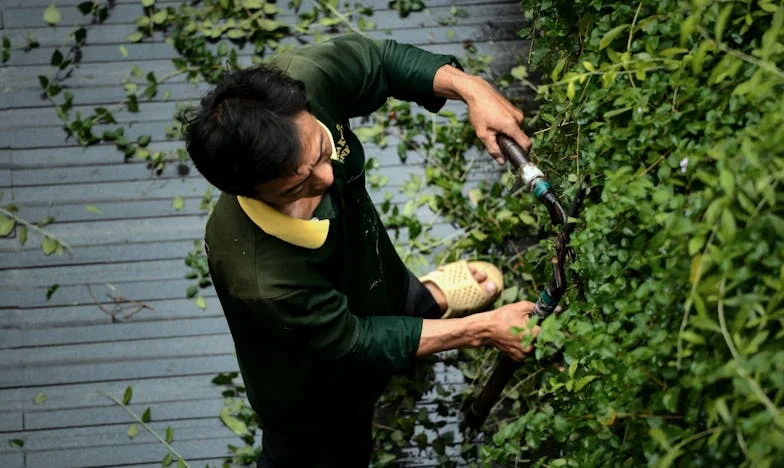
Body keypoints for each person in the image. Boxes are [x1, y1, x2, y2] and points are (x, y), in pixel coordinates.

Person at [185, 34, 539, 467]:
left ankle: (419, 300)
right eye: (299, 184)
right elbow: (353, 342)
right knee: (330, 450)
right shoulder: (264, 279)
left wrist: (472, 89)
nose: (327, 177)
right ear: (249, 191)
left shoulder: (300, 80)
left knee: (389, 284)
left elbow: (380, 61)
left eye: (322, 151)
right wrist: (483, 329)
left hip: (370, 268)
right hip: (315, 387)